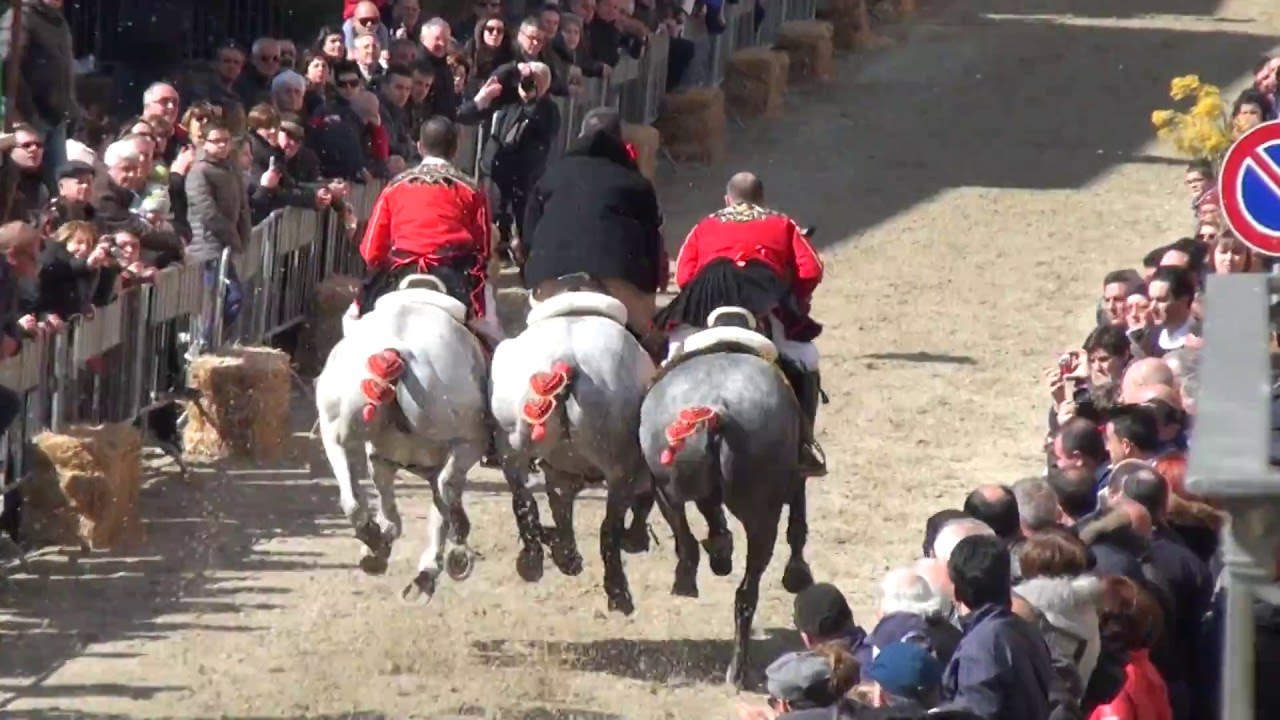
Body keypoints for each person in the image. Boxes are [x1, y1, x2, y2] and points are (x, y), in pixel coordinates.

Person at [656, 171, 827, 476]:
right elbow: (811, 269)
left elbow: (683, 275)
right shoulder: (782, 223)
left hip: (707, 293)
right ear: (761, 199)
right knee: (806, 358)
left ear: (727, 199)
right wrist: (793, 300)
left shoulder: (705, 224)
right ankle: (803, 443)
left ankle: (652, 433)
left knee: (671, 354)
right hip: (762, 295)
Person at [521, 107, 666, 345]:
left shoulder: (550, 177)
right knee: (649, 345)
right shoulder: (637, 183)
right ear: (620, 139)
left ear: (579, 135)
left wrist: (529, 275)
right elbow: (652, 243)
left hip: (550, 277)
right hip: (617, 278)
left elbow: (527, 240)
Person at [356, 116, 502, 349]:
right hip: (452, 273)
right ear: (455, 149)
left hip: (400, 271)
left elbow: (371, 249)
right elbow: (483, 248)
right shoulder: (471, 188)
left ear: (420, 147)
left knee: (354, 323)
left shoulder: (395, 186)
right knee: (491, 334)